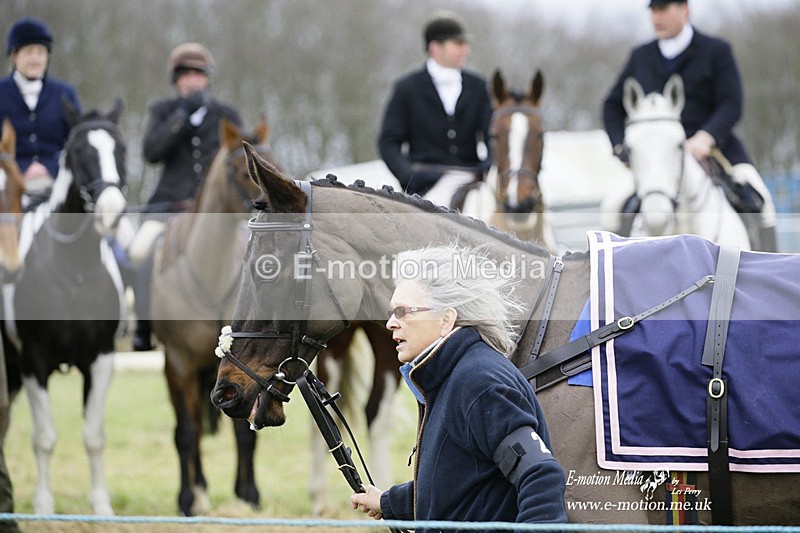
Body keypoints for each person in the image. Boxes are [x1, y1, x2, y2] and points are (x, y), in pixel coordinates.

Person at [351, 244, 567, 529]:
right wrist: (388, 502)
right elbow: (456, 483)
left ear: (446, 320)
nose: (390, 323)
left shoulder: (480, 382)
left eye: (402, 311)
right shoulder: (450, 374)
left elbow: (542, 475)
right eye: (392, 312)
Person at [602, 0, 777, 251]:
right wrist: (621, 147)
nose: (656, 17)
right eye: (653, 10)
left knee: (763, 202)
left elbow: (731, 102)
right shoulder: (640, 56)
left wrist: (706, 136)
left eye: (663, 9)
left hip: (714, 150)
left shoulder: (716, 51)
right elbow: (612, 105)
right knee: (611, 207)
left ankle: (769, 272)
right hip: (656, 159)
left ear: (684, 9)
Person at [130, 42, 242, 351]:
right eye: (185, 75)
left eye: (198, 74)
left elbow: (242, 157)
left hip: (217, 211)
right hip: (168, 205)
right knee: (139, 252)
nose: (192, 80)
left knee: (254, 252)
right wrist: (181, 116)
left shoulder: (226, 114)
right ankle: (143, 328)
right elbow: (151, 153)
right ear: (176, 80)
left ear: (207, 78)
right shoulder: (162, 111)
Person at [377, 10, 493, 207]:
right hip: (427, 184)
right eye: (458, 44)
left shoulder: (479, 86)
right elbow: (388, 142)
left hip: (473, 179)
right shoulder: (407, 88)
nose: (466, 50)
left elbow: (493, 134)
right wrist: (409, 176)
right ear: (435, 47)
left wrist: (488, 166)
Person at [0, 16, 81, 201]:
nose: (35, 59)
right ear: (13, 56)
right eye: (29, 52)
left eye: (41, 52)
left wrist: (49, 167)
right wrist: (22, 168)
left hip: (56, 178)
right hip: (7, 179)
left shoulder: (65, 94)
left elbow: (77, 141)